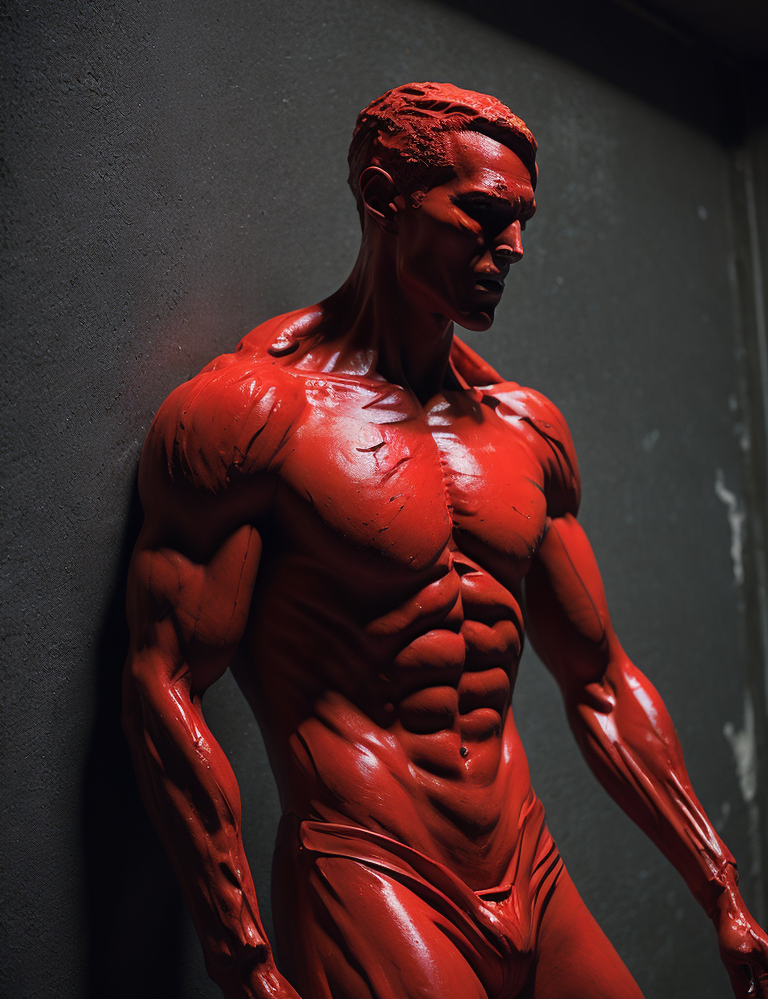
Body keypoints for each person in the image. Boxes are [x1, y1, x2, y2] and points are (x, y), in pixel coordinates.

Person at [122, 82, 768, 999]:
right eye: (483, 215)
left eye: (523, 223)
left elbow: (599, 678)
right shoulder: (256, 413)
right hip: (369, 865)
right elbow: (163, 681)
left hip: (527, 863)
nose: (511, 248)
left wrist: (721, 888)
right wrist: (245, 960)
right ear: (385, 195)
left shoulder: (524, 430)